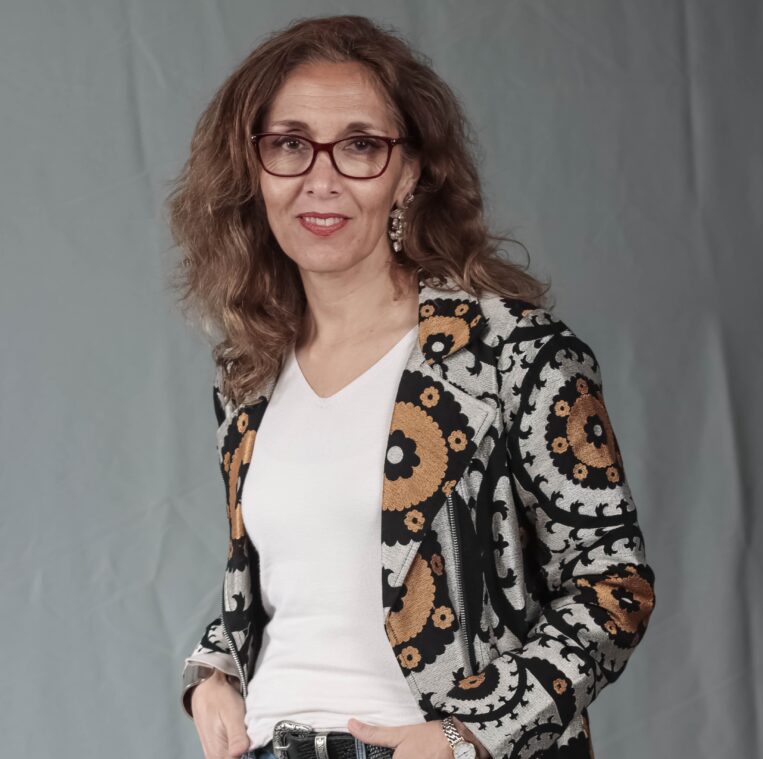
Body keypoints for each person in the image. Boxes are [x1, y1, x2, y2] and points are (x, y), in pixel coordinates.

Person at [167, 15, 656, 759]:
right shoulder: (249, 374)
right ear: (253, 168)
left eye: (360, 146)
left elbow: (613, 581)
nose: (321, 179)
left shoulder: (512, 354)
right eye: (290, 144)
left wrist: (472, 733)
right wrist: (213, 672)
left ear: (410, 172)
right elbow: (308, 585)